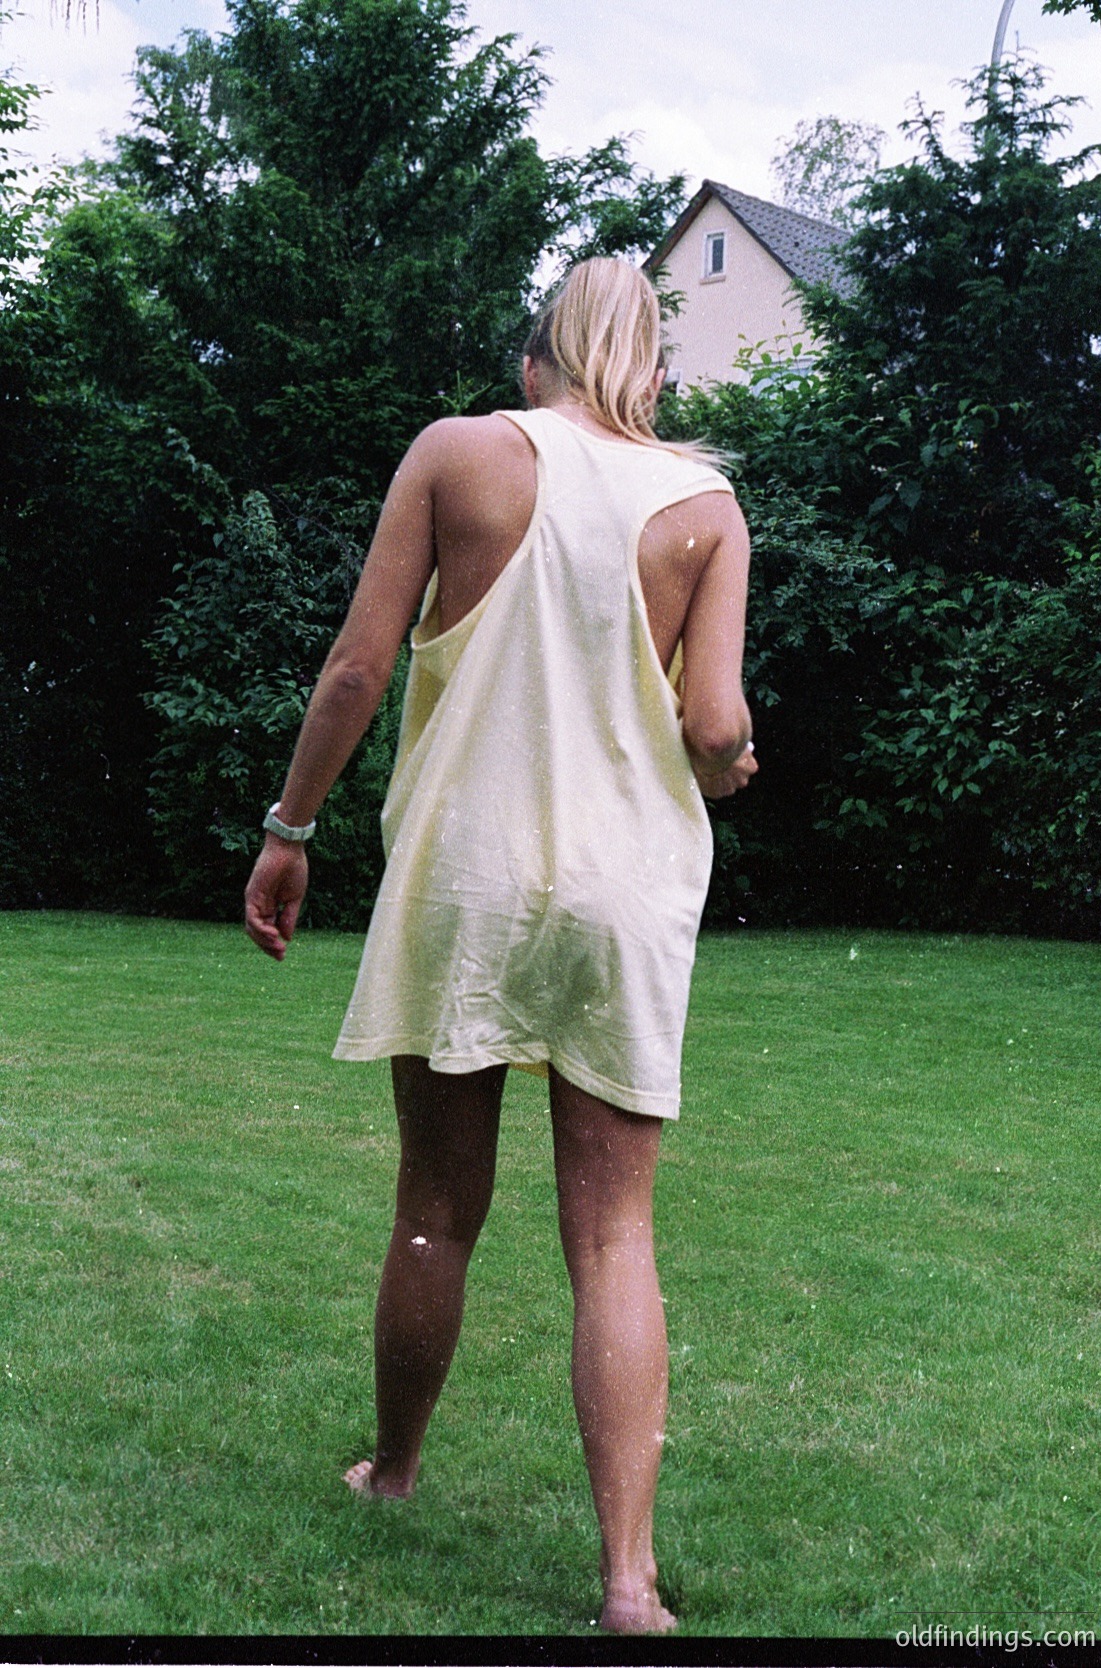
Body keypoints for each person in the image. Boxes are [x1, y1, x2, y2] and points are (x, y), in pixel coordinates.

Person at [244, 256, 757, 1636]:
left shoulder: (459, 453)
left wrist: (290, 829)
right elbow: (714, 728)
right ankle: (628, 1584)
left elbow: (358, 668)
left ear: (535, 361)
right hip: (624, 891)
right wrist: (726, 763)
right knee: (614, 1231)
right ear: (652, 374)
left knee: (435, 1201)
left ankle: (396, 1470)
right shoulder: (704, 508)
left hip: (464, 875)